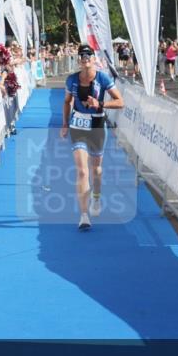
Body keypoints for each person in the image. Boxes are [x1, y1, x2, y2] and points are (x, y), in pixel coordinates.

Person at [60, 44, 124, 231]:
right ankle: (84, 215)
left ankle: (96, 196)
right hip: (77, 125)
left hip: (96, 125)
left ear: (93, 58)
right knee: (82, 171)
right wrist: (64, 124)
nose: (85, 58)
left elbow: (121, 102)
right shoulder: (72, 80)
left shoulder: (102, 78)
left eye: (88, 55)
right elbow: (66, 102)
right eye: (82, 55)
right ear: (78, 59)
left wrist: (100, 103)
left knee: (96, 169)